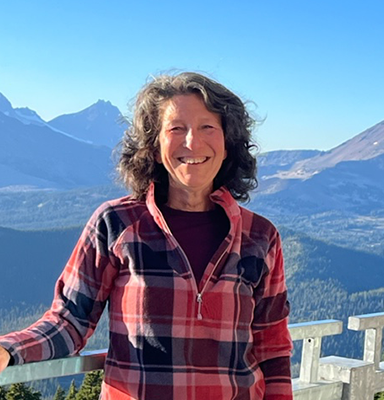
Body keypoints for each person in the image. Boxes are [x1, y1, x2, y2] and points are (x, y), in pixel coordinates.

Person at [0, 72, 293, 399]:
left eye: (207, 127)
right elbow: (70, 321)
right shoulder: (115, 224)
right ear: (154, 148)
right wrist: (9, 349)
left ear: (228, 145)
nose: (192, 142)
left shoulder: (260, 236)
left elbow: (273, 346)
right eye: (176, 128)